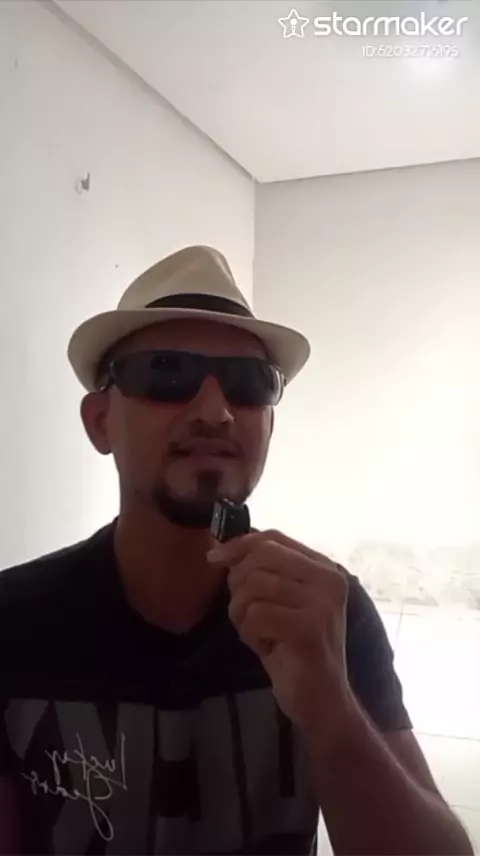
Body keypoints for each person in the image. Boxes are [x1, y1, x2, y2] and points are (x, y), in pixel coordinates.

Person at [0, 246, 472, 855]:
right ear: (99, 421)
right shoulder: (14, 622)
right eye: (166, 372)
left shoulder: (329, 612)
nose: (216, 412)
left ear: (269, 425)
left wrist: (331, 712)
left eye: (250, 384)